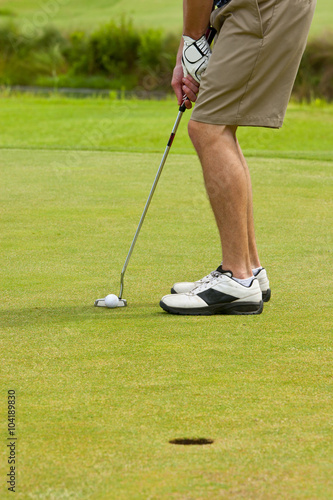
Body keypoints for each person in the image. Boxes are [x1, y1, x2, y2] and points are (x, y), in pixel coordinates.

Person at [159, 0, 316, 316]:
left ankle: (237, 279)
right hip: (255, 7)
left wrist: (192, 42)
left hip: (260, 6)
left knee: (207, 128)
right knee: (219, 125)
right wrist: (189, 47)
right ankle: (249, 270)